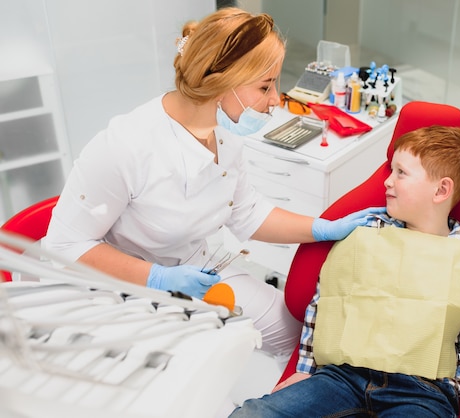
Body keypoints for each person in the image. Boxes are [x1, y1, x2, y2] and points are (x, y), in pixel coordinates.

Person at [43, 7, 383, 358]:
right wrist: (157, 278)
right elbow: (64, 246)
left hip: (195, 270)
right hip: (121, 292)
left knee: (296, 338)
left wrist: (322, 228)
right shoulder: (126, 146)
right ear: (222, 82)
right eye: (265, 86)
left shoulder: (225, 133)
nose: (275, 99)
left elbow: (247, 214)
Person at [230, 126, 460, 417]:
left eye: (401, 173)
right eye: (390, 170)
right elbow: (325, 306)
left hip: (422, 392)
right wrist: (305, 372)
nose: (387, 181)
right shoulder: (364, 234)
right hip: (341, 377)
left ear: (441, 190)